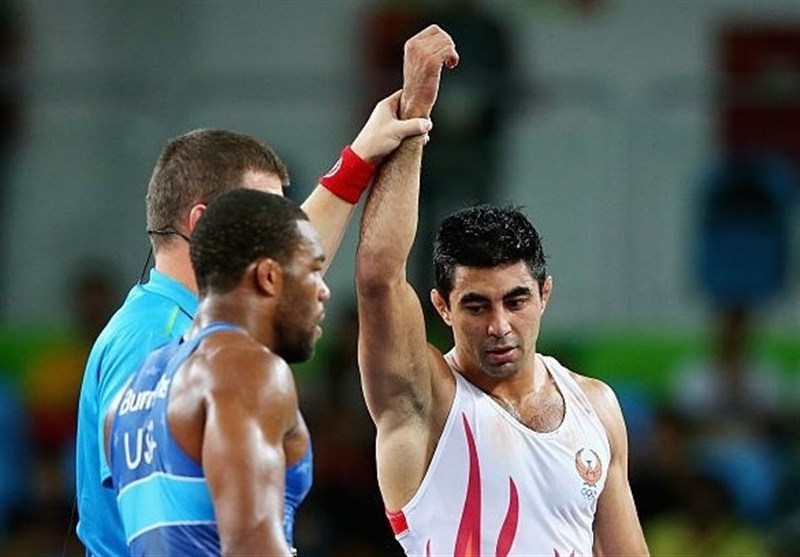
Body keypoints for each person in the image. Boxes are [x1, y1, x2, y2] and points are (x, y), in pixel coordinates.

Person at [75, 89, 432, 556]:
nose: (282, 236)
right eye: (263, 216)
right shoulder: (172, 345)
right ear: (206, 224)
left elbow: (287, 272)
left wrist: (358, 159)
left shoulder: (174, 341)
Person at [355, 25, 650, 555]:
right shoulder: (424, 400)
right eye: (476, 305)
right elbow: (379, 278)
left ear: (545, 294)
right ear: (442, 307)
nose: (499, 326)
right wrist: (415, 118)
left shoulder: (596, 406)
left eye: (516, 301)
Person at [104, 189, 328, 555]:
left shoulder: (127, 398)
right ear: (268, 276)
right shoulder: (248, 369)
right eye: (314, 271)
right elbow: (249, 546)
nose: (323, 292)